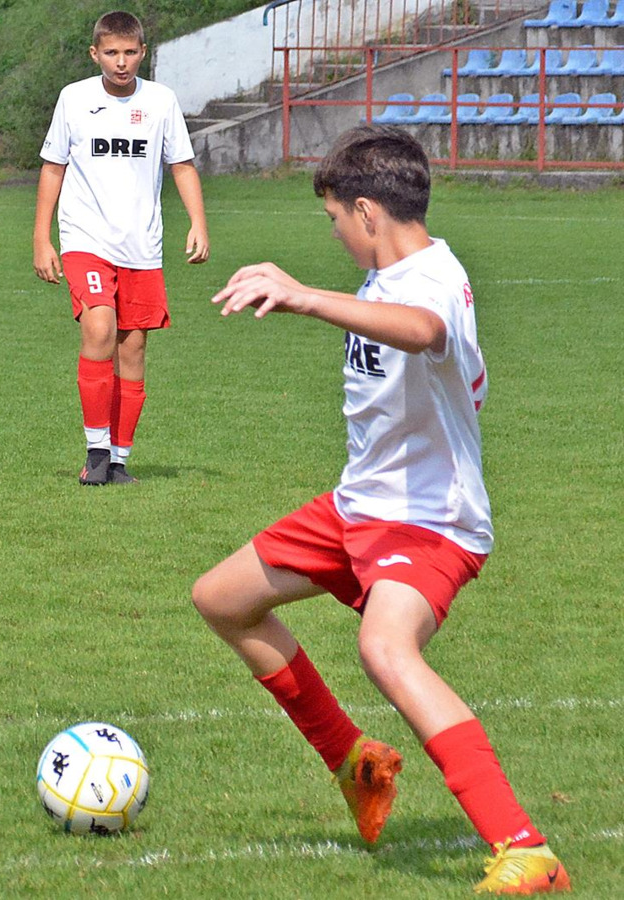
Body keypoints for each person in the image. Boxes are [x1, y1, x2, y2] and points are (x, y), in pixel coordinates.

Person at [192, 126, 567, 894]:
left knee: (385, 649)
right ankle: (354, 763)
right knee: (221, 598)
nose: (333, 233)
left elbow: (423, 330)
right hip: (358, 505)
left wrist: (304, 297)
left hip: (427, 521)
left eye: (334, 217)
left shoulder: (429, 280)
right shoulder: (388, 274)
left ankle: (525, 849)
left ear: (366, 212)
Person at [33, 9, 209, 485]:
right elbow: (53, 166)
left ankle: (118, 459)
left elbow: (182, 164)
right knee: (99, 329)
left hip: (141, 245)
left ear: (143, 53)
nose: (121, 62)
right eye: (111, 52)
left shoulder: (161, 101)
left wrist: (198, 222)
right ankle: (95, 451)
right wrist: (41, 238)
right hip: (85, 238)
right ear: (95, 54)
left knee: (133, 350)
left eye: (130, 52)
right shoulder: (74, 99)